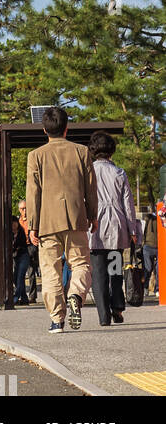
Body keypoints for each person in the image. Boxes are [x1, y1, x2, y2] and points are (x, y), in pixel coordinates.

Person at [25, 106, 98, 333]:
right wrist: (92, 215)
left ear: (45, 130)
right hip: (76, 218)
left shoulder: (35, 156)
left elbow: (33, 193)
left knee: (50, 271)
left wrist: (32, 225)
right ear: (67, 128)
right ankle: (75, 293)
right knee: (81, 264)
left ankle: (57, 319)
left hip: (47, 222)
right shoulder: (82, 152)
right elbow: (91, 189)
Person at [87, 131, 140, 327]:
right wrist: (132, 229)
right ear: (112, 151)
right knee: (115, 270)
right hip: (117, 227)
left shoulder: (89, 172)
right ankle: (117, 306)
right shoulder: (119, 173)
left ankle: (103, 316)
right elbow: (128, 205)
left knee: (99, 273)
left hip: (95, 227)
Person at [10, 214, 32, 306]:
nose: (14, 225)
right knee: (16, 278)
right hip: (16, 257)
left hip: (24, 256)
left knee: (20, 277)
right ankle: (24, 298)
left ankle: (15, 298)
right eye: (12, 224)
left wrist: (15, 248)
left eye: (15, 223)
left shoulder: (21, 231)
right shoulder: (9, 233)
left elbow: (21, 244)